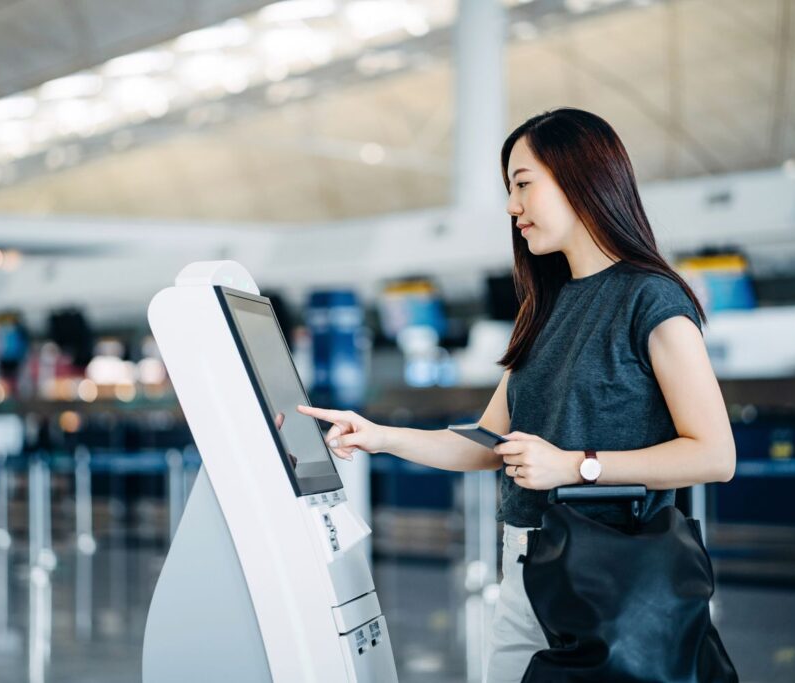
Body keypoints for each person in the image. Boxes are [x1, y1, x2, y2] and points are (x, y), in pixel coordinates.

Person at [298, 107, 736, 682]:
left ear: (581, 178)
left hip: (614, 569)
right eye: (511, 189)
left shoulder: (649, 299)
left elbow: (714, 455)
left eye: (524, 185)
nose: (512, 207)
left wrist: (574, 466)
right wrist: (380, 436)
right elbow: (488, 443)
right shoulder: (544, 307)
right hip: (527, 560)